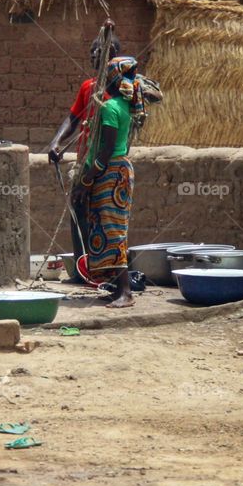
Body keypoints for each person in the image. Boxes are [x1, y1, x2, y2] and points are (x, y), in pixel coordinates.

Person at [72, 57, 162, 308]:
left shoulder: (110, 109)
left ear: (112, 78)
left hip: (110, 172)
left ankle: (125, 292)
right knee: (110, 229)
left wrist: (87, 179)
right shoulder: (125, 105)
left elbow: (106, 149)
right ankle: (117, 288)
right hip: (117, 170)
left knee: (113, 232)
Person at [48, 36, 121, 277]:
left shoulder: (120, 92)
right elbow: (73, 118)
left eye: (97, 51)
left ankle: (105, 275)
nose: (92, 56)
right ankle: (84, 271)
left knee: (107, 220)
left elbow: (110, 144)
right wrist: (56, 143)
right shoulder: (88, 87)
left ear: (110, 55)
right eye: (91, 51)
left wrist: (91, 175)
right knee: (79, 211)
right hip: (86, 162)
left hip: (107, 165)